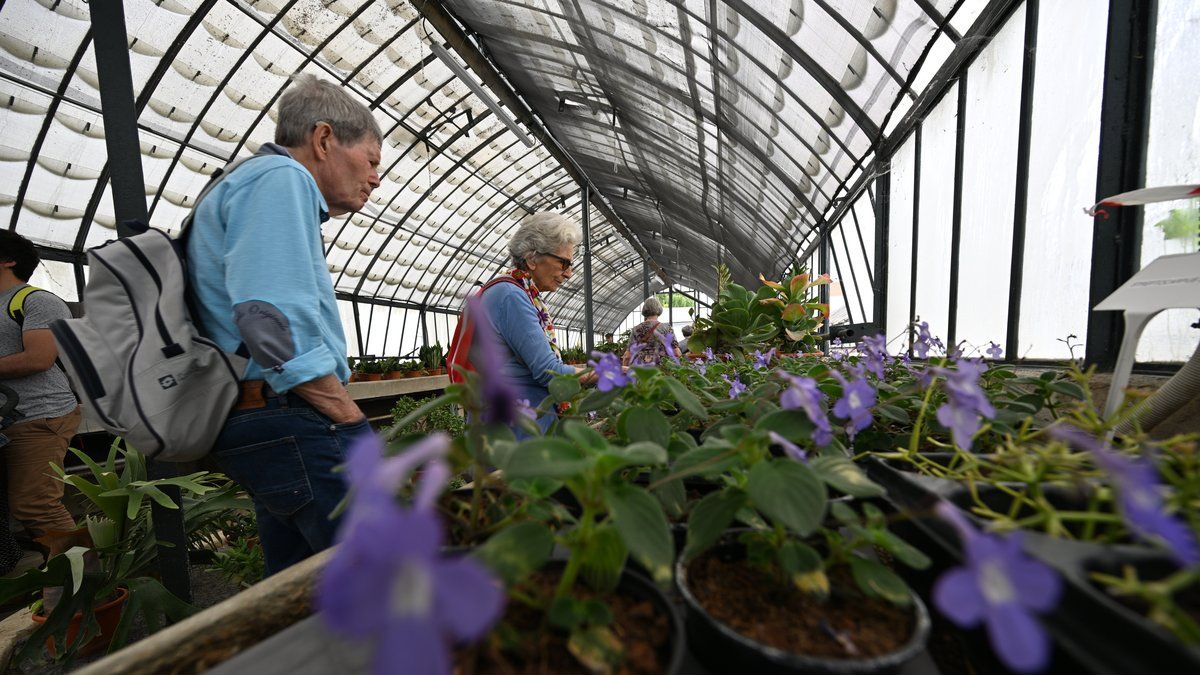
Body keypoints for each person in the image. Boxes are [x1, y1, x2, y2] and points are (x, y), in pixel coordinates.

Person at [187, 74, 380, 575]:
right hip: (291, 410)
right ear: (323, 140)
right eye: (372, 161)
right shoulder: (281, 178)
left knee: (298, 583)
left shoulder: (250, 182)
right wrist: (346, 414)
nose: (375, 178)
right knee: (374, 575)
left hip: (264, 413)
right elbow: (267, 315)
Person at [0, 231, 83, 563]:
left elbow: (39, 358)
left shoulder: (35, 300)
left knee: (35, 504)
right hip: (8, 420)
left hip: (38, 416)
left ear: (9, 260)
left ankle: (84, 585)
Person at [478, 212, 596, 433]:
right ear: (532, 259)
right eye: (564, 263)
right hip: (516, 431)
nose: (569, 274)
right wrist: (611, 374)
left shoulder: (520, 292)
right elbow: (548, 372)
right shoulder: (510, 296)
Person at [622, 297, 680, 365]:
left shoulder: (636, 329)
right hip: (663, 370)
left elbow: (628, 355)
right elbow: (676, 352)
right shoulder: (667, 328)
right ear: (659, 309)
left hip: (642, 370)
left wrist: (624, 369)